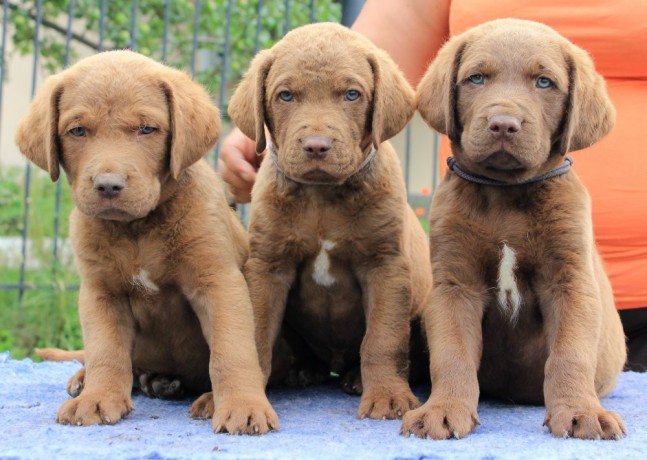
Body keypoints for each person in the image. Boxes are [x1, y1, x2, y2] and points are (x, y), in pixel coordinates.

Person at [218, 0, 647, 371]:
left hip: (622, 318)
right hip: (457, 335)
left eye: (544, 82)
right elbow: (354, 60)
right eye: (477, 78)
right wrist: (267, 124)